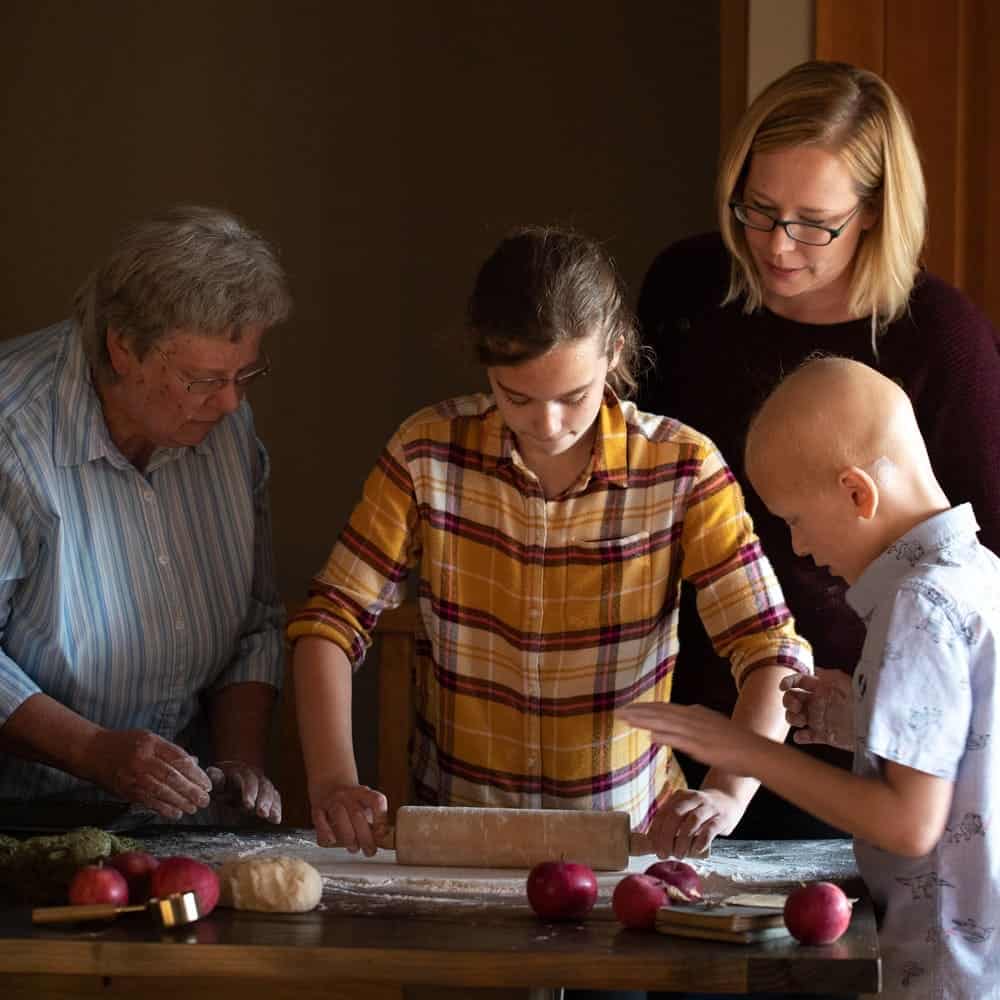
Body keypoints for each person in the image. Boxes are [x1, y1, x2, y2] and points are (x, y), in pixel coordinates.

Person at [287, 226, 811, 859]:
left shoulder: (682, 467)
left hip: (629, 835)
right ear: (486, 364)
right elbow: (330, 620)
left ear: (614, 351)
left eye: (574, 396)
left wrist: (727, 792)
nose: (548, 424)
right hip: (459, 832)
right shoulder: (426, 451)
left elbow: (770, 650)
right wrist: (333, 779)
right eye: (518, 397)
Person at [636, 60, 1000, 838]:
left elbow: (980, 567)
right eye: (757, 210)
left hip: (882, 739)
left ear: (872, 211)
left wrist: (863, 710)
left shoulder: (945, 341)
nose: (777, 245)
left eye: (813, 222)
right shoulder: (686, 292)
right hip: (708, 699)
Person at [623, 356, 1000, 1000]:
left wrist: (747, 752)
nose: (797, 547)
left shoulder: (918, 604)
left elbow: (909, 824)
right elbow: (973, 748)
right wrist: (861, 715)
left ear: (858, 493)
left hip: (942, 967)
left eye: (795, 519)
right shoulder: (979, 574)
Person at [0, 205, 291, 824]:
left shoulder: (226, 424)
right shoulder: (11, 432)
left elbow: (256, 621)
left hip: (175, 812)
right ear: (124, 348)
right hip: (21, 812)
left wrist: (241, 763)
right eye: (204, 379)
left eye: (245, 374)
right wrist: (95, 751)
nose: (232, 401)